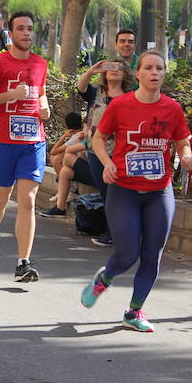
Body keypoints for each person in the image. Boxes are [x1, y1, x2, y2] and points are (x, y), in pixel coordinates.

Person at [80, 50, 192, 333]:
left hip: (159, 190)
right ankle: (105, 277)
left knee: (152, 253)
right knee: (127, 253)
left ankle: (133, 311)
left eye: (160, 68)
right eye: (149, 68)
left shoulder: (172, 108)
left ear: (164, 74)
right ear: (139, 74)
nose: (155, 73)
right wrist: (107, 164)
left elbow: (182, 141)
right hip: (124, 190)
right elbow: (98, 139)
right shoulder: (121, 105)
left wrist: (186, 157)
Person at [0, 11, 50, 283]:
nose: (27, 33)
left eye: (30, 28)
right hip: (5, 140)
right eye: (21, 28)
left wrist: (45, 108)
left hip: (33, 141)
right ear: (11, 33)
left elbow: (41, 95)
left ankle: (23, 263)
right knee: (2, 197)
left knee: (28, 200)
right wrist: (11, 95)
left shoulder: (41, 64)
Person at [76, 56, 133, 245]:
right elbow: (80, 87)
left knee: (119, 192)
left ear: (125, 73)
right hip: (96, 151)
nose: (115, 70)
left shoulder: (130, 96)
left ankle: (119, 232)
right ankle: (111, 230)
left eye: (119, 67)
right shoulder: (96, 93)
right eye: (110, 67)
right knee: (106, 191)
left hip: (121, 151)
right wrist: (92, 70)